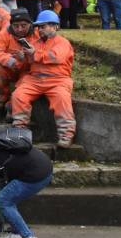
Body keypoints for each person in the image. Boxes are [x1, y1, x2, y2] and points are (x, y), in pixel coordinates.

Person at [10, 10, 77, 147]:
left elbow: (55, 57)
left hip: (57, 80)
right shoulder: (35, 43)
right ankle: (20, 130)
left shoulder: (62, 42)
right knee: (18, 95)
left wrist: (34, 53)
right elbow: (29, 62)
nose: (39, 29)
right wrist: (24, 57)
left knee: (62, 99)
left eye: (43, 26)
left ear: (55, 26)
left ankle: (66, 135)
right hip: (35, 80)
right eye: (38, 27)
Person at [0, 9, 36, 113]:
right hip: (11, 68)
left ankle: (13, 103)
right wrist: (11, 60)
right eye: (16, 26)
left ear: (30, 24)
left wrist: (27, 57)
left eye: (23, 25)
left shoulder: (37, 34)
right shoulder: (5, 34)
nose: (19, 29)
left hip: (29, 70)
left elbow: (42, 55)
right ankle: (2, 95)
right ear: (11, 25)